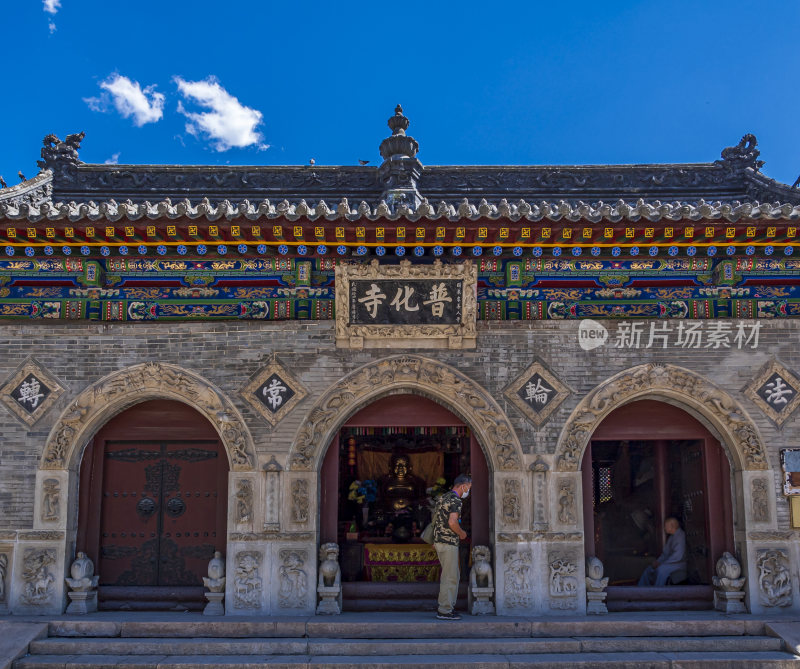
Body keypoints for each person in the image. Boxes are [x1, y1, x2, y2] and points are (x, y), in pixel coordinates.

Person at [432, 473, 471, 620]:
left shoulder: (443, 497)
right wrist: (462, 534)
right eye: (469, 487)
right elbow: (452, 522)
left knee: (450, 575)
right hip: (449, 542)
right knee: (451, 576)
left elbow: (436, 520)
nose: (468, 491)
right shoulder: (455, 500)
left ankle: (446, 607)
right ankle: (445, 610)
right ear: (463, 486)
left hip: (439, 541)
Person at [638, 516, 687, 586]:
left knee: (661, 570)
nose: (664, 528)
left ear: (672, 526)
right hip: (670, 562)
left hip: (679, 563)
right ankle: (643, 591)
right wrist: (658, 561)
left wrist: (662, 563)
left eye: (666, 526)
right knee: (649, 569)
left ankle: (658, 592)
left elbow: (677, 556)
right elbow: (665, 554)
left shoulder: (681, 536)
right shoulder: (671, 537)